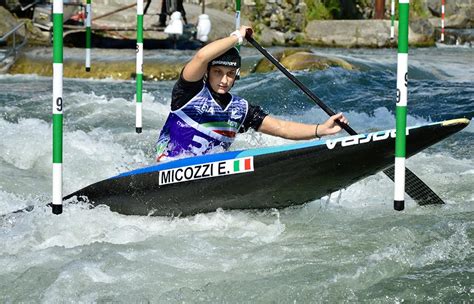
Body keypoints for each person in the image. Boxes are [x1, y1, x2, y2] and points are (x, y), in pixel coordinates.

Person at [155, 25, 349, 161]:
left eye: (230, 74)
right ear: (207, 73)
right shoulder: (189, 92)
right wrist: (237, 37)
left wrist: (320, 130)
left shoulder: (241, 109)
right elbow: (202, 56)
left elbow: (282, 128)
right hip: (167, 169)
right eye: (217, 72)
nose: (224, 80)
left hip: (209, 178)